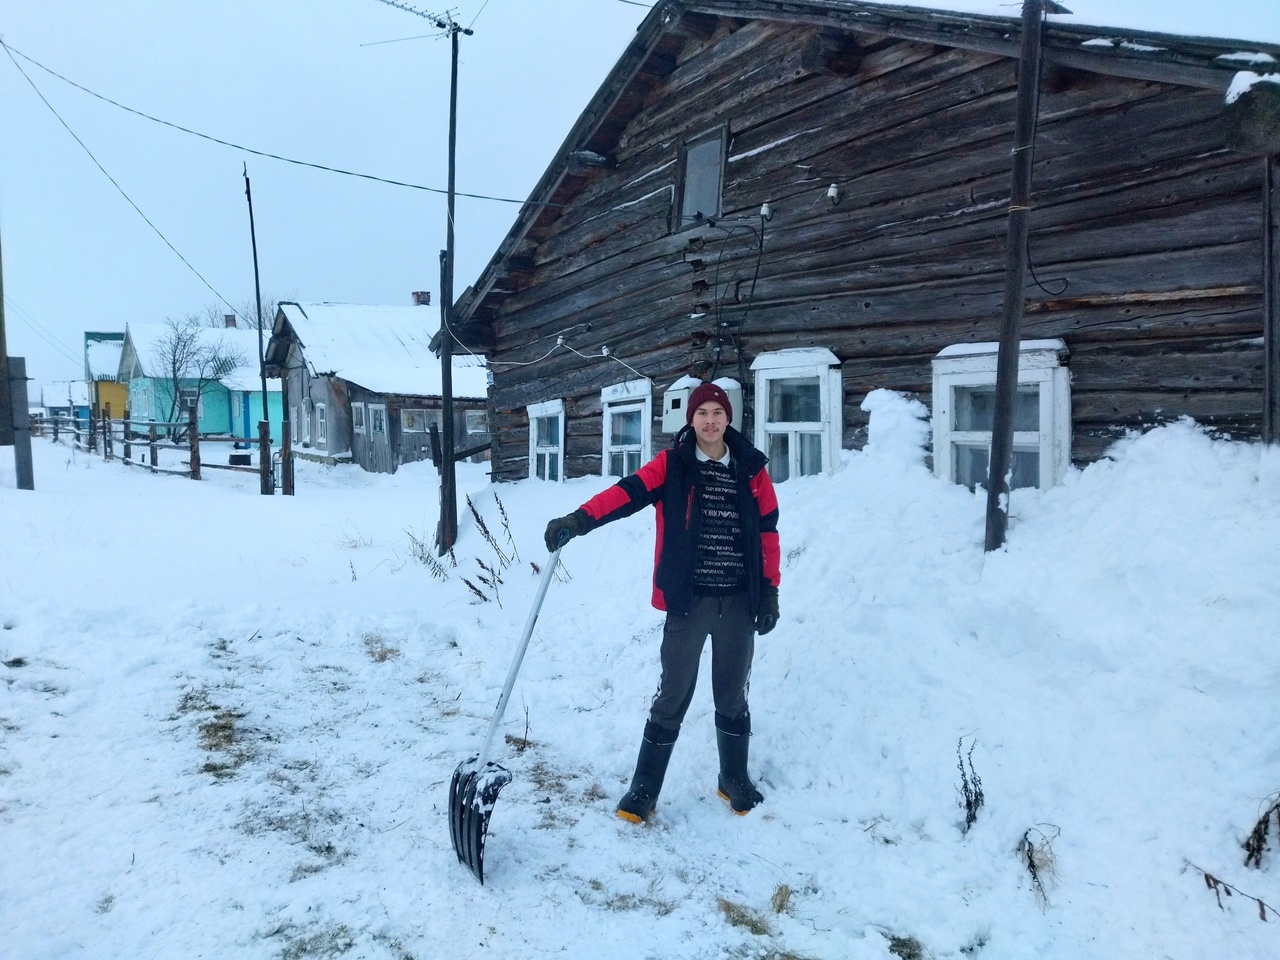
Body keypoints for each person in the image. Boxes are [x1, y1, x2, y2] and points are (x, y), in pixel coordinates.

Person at [543, 381, 781, 824]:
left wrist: (769, 590)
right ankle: (644, 790)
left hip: (737, 602)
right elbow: (626, 493)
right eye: (702, 413)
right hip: (688, 603)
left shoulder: (750, 469)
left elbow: (768, 533)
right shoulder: (672, 465)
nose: (710, 420)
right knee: (672, 694)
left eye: (717, 412)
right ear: (690, 420)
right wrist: (579, 520)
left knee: (732, 694)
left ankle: (734, 779)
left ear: (729, 418)